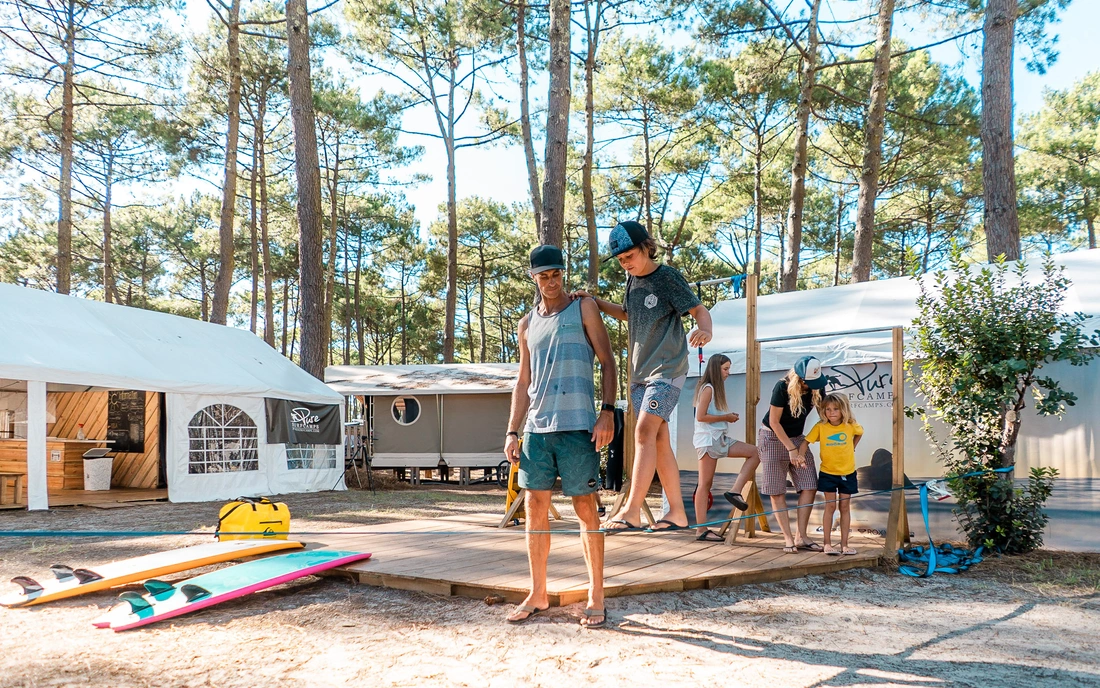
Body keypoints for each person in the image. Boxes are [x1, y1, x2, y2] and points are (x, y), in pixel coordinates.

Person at [503, 244, 617, 628]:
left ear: (562, 274)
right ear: (533, 278)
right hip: (536, 429)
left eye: (556, 274)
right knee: (535, 507)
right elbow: (523, 382)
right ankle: (538, 592)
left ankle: (595, 594)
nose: (551, 282)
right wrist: (512, 430)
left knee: (586, 509)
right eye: (543, 276)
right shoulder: (526, 323)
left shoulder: (583, 307)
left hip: (578, 426)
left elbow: (607, 360)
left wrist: (607, 412)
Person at [579, 220, 712, 533]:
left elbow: (698, 310)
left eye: (630, 256)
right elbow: (628, 314)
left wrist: (705, 330)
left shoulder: (666, 277)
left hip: (666, 369)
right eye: (622, 260)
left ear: (645, 247)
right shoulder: (631, 281)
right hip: (639, 374)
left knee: (642, 433)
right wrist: (594, 302)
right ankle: (678, 512)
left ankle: (631, 511)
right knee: (658, 439)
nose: (626, 263)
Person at [759, 356, 828, 553]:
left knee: (809, 485)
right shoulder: (782, 387)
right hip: (772, 437)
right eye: (809, 383)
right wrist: (791, 450)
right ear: (799, 379)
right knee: (777, 490)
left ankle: (801, 536)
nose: (812, 386)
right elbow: (774, 422)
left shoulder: (818, 385)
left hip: (798, 437)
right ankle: (788, 538)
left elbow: (826, 414)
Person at [691, 354, 761, 542]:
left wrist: (727, 417)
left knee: (755, 452)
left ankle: (735, 491)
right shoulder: (707, 388)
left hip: (719, 438)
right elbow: (701, 417)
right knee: (704, 485)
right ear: (716, 369)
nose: (728, 373)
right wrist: (726, 417)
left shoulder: (714, 389)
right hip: (708, 440)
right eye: (726, 369)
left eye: (729, 368)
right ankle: (701, 530)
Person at [800, 393, 863, 555]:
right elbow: (806, 442)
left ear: (844, 410)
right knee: (830, 506)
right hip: (828, 473)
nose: (831, 412)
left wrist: (853, 446)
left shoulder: (850, 425)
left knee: (844, 507)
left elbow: (859, 433)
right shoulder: (820, 426)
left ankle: (844, 545)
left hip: (848, 473)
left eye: (835, 409)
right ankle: (827, 544)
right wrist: (800, 456)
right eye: (827, 409)